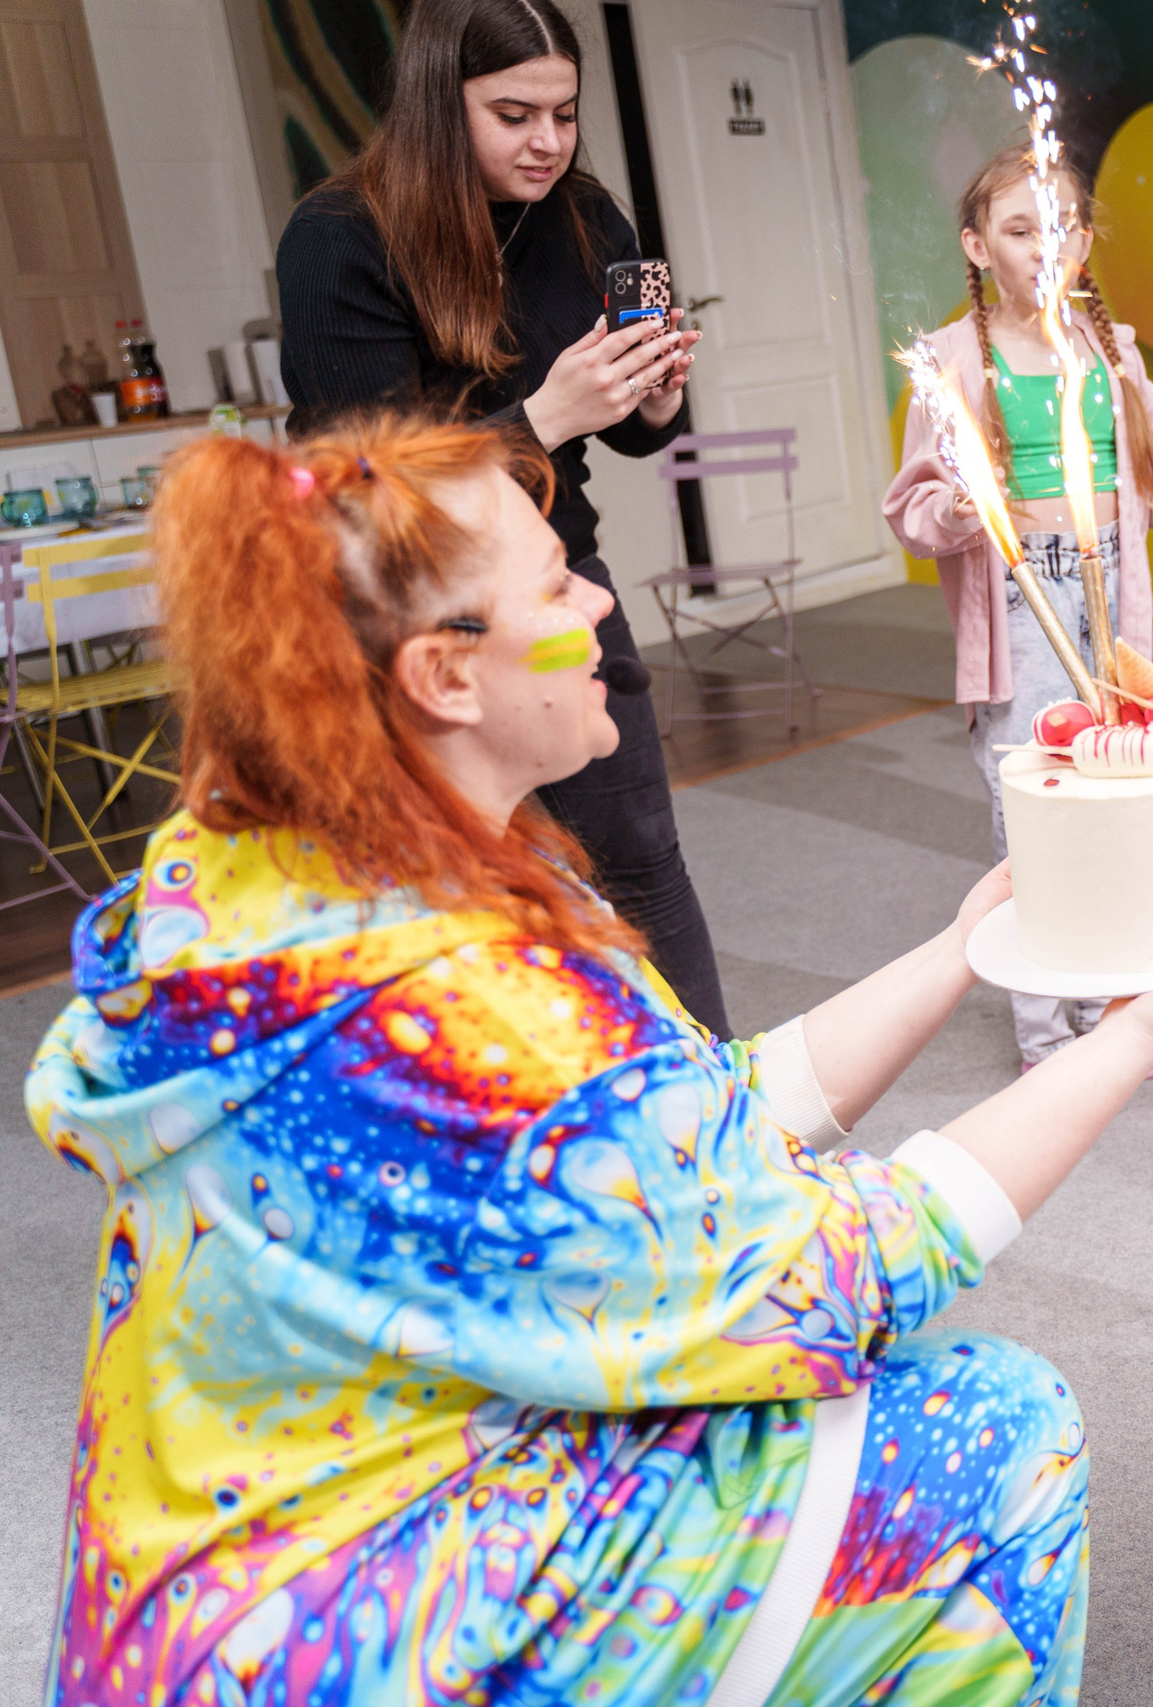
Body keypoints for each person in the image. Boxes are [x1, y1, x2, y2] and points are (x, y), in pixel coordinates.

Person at [26, 417, 1153, 1706]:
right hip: (350, 1630)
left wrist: (962, 947)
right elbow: (827, 1275)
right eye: (554, 582)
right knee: (990, 1422)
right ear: (445, 673)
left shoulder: (258, 879)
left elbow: (671, 1141)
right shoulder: (471, 1008)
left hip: (175, 1600)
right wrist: (1134, 1033)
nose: (599, 595)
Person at [276, 0, 731, 1033]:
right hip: (417, 624)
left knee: (642, 869)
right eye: (515, 114)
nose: (549, 143)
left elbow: (631, 437)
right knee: (458, 899)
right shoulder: (337, 238)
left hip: (563, 582)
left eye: (565, 114)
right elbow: (367, 487)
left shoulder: (586, 215)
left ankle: (718, 1126)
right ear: (442, 104)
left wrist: (653, 399)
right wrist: (544, 416)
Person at [884, 145, 1153, 1072]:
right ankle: (1047, 1032)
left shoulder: (1108, 352)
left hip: (1108, 595)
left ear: (1084, 240)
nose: (1045, 246)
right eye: (1019, 227)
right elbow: (911, 510)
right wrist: (960, 511)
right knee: (1038, 819)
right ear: (977, 243)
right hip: (1019, 602)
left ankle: (1119, 1008)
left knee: (1123, 803)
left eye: (1062, 226)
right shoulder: (953, 361)